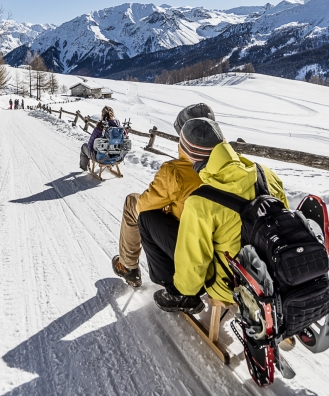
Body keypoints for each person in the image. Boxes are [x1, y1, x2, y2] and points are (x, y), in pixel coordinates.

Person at [142, 117, 288, 314]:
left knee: (147, 219)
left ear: (190, 155)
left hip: (233, 284)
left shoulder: (201, 201)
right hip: (276, 271)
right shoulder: (265, 173)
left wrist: (185, 289)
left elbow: (194, 265)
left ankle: (179, 296)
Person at [112, 103, 215, 289]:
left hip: (189, 247)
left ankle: (128, 266)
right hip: (219, 248)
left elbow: (144, 205)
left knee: (133, 203)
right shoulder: (234, 167)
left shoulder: (176, 171)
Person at [80, 106, 120, 171]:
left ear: (102, 115)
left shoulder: (99, 128)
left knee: (84, 146)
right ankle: (110, 163)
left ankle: (84, 168)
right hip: (116, 157)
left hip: (100, 157)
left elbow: (90, 145)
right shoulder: (119, 129)